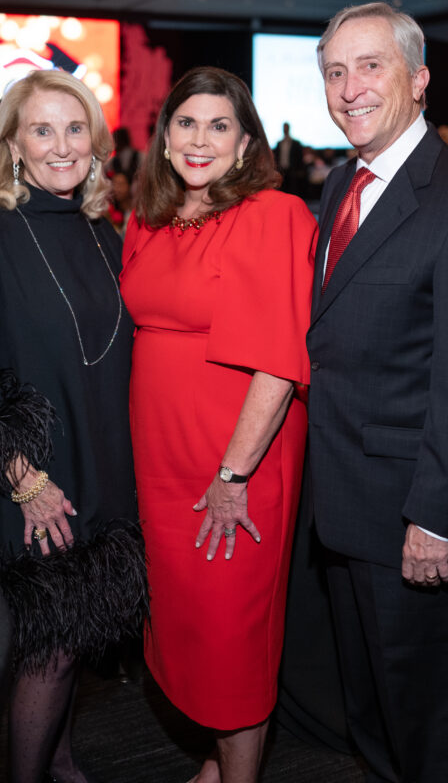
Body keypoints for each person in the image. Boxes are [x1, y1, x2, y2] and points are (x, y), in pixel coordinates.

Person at [0, 69, 147, 783]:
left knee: (79, 633)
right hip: (36, 475)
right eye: (42, 129)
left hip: (101, 461)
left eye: (75, 129)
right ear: (12, 143)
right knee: (50, 646)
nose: (62, 146)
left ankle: (61, 757)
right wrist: (25, 484)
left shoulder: (102, 230)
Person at [307, 2, 448, 783]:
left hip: (412, 525)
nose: (349, 87)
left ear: (418, 80)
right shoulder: (340, 184)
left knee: (427, 734)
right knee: (371, 717)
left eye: (370, 67)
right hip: (343, 508)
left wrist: (432, 518)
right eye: (335, 71)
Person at [120, 67, 316, 783]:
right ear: (164, 137)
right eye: (186, 123)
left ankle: (239, 775)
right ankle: (216, 757)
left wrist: (233, 475)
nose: (199, 139)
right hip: (161, 456)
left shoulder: (274, 214)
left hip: (237, 456)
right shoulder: (145, 216)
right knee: (188, 622)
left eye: (219, 125)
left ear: (244, 145)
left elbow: (277, 363)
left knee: (233, 630)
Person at [273, 121, 305, 196]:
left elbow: (299, 158)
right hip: (281, 169)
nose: (285, 130)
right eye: (284, 128)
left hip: (292, 170)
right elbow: (276, 157)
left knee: (293, 189)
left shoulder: (295, 143)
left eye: (286, 128)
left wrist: (300, 169)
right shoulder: (279, 143)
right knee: (282, 190)